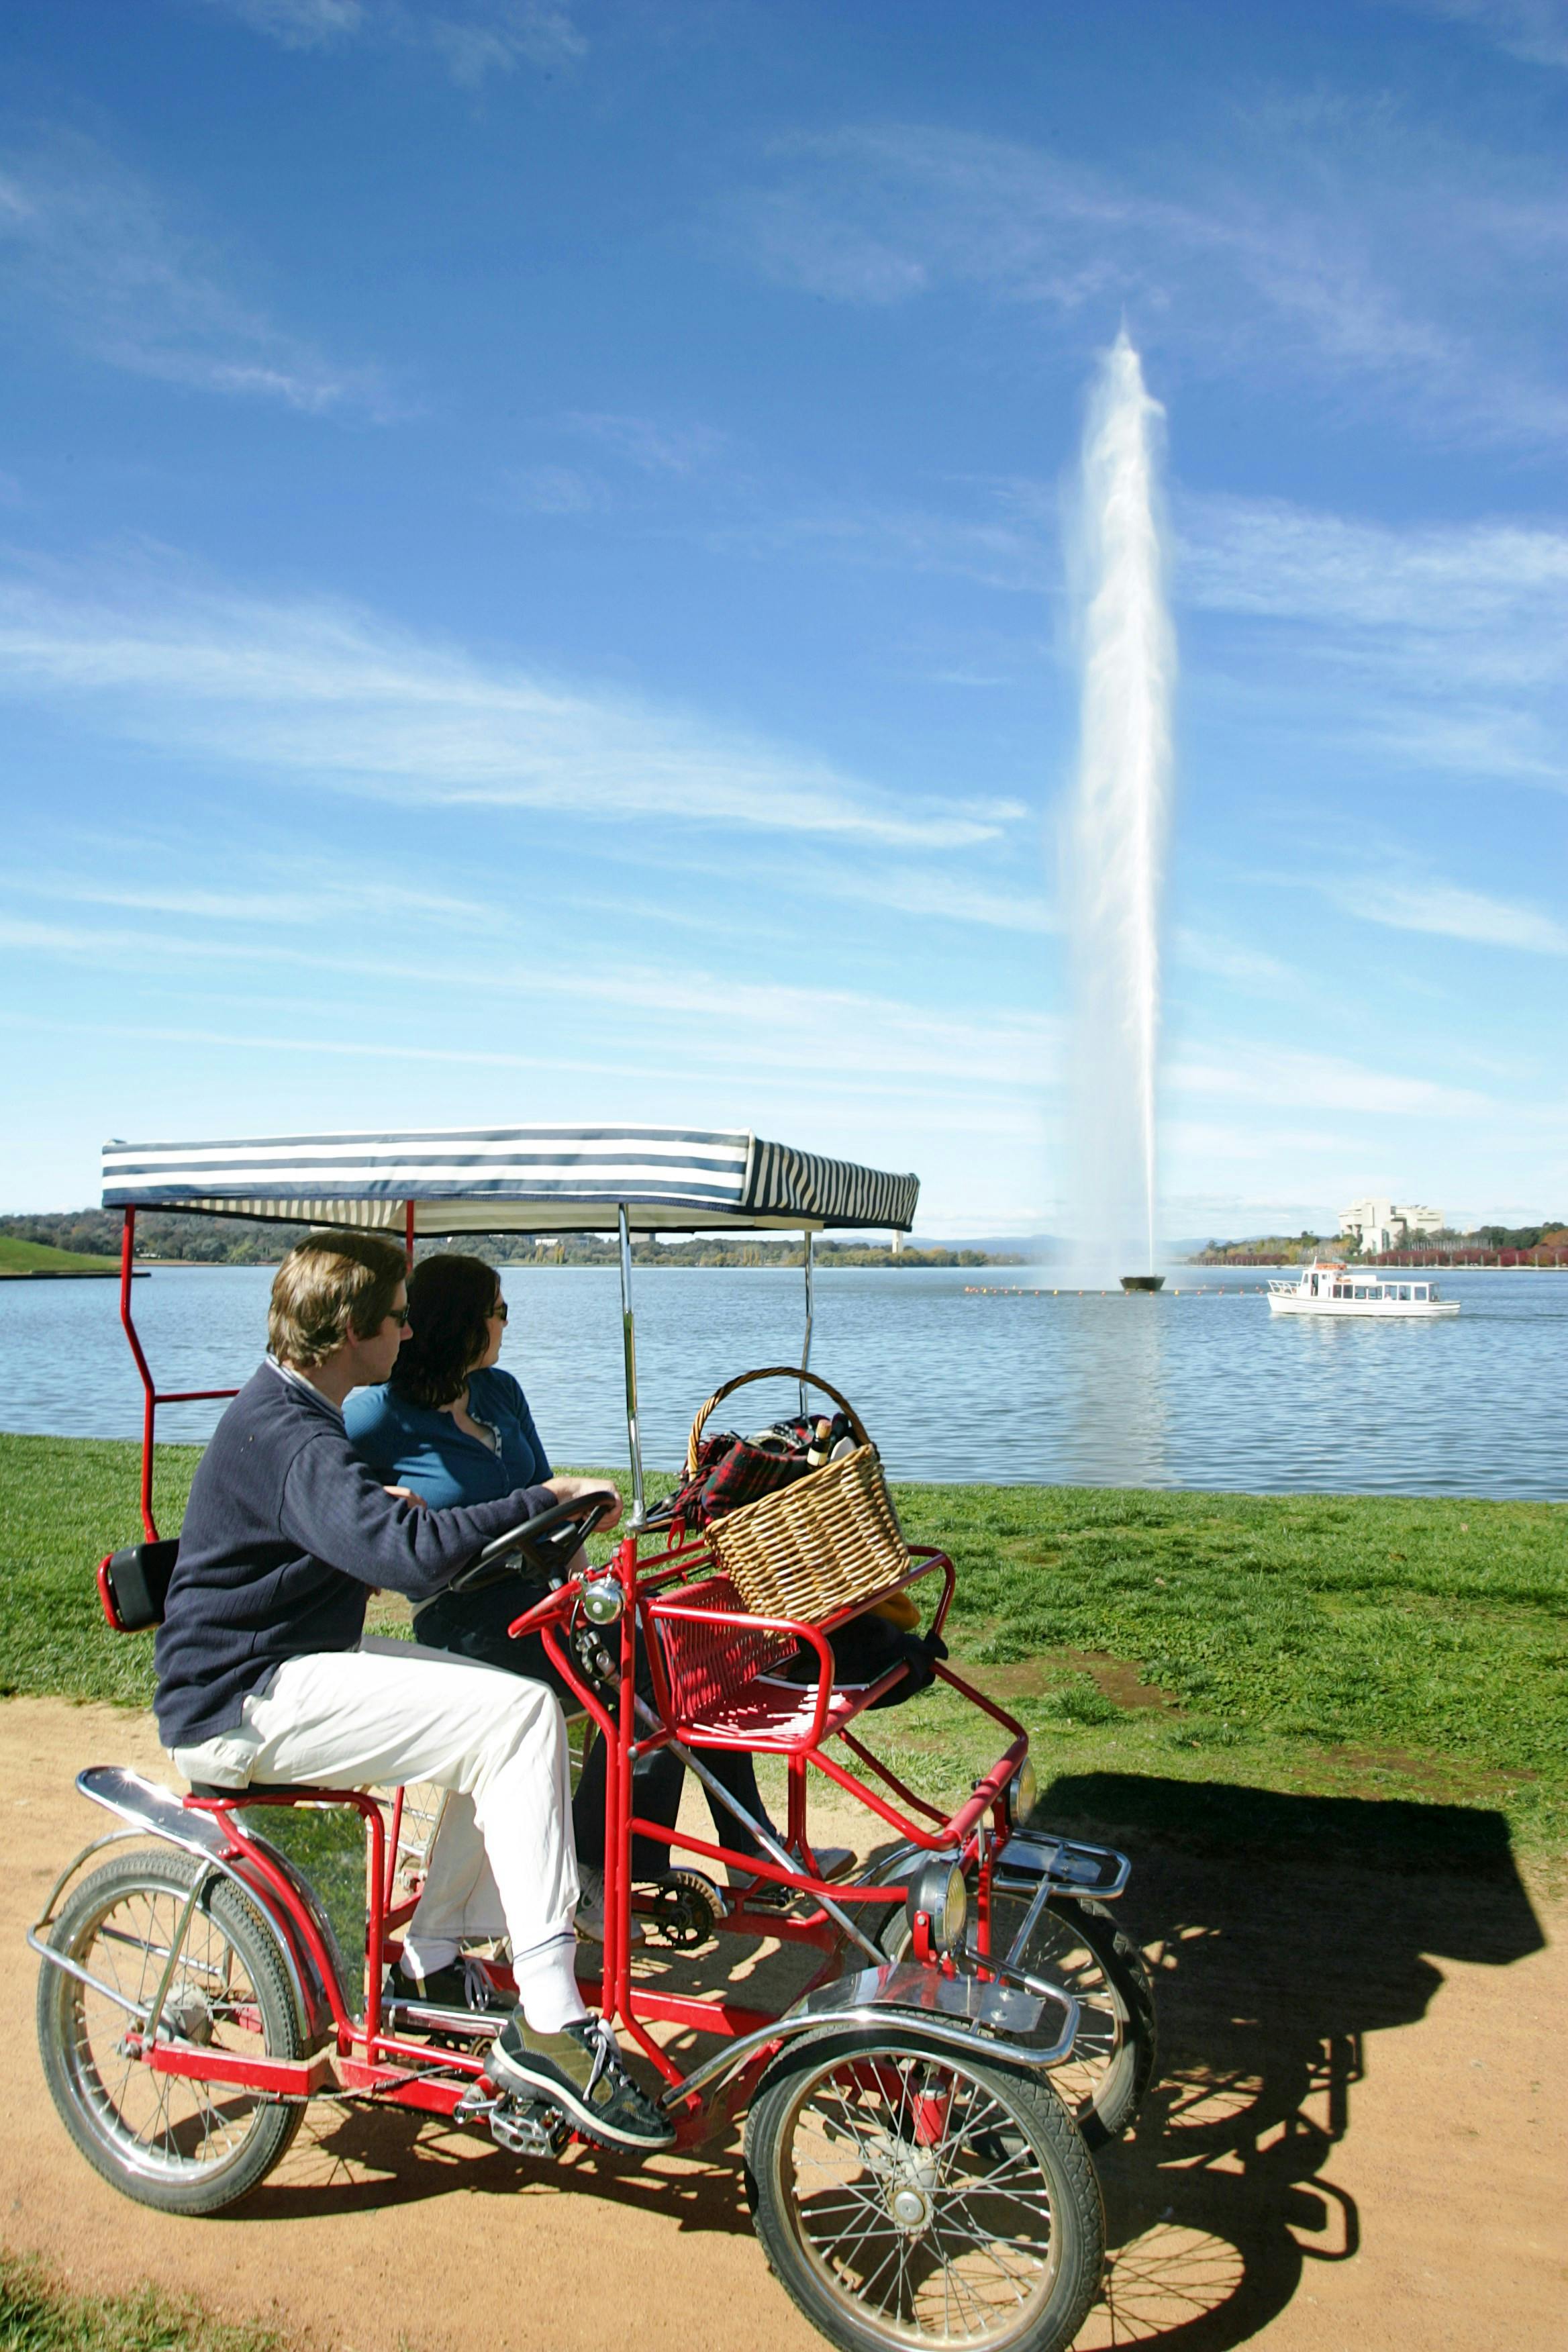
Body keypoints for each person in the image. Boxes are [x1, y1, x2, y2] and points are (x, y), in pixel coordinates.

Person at [156, 1228, 672, 2153]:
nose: (408, 1333)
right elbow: (405, 1561)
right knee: (516, 1714)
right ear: (353, 1329)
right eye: (397, 1318)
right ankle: (550, 2015)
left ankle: (434, 1955)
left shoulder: (299, 1414)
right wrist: (538, 1498)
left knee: (513, 1711)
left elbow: (359, 1524)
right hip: (240, 1698)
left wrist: (391, 1509)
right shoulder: (291, 1432)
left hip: (280, 1667)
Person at [344, 1253, 852, 1916]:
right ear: (461, 1323)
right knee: (644, 1665)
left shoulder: (500, 1391)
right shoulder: (374, 1415)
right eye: (499, 1311)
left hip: (549, 1594)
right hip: (463, 1616)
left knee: (683, 1642)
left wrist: (587, 1551)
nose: (506, 1324)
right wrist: (375, 1504)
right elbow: (327, 1498)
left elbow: (545, 1498)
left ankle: (738, 1845)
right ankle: (599, 1863)